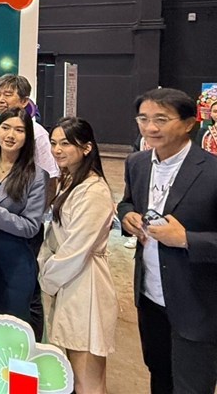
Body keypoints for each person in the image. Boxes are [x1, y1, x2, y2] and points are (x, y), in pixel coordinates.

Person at [117, 88, 217, 394]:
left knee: (191, 385)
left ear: (189, 123)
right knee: (159, 376)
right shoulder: (138, 163)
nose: (150, 128)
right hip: (150, 298)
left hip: (196, 303)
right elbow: (127, 203)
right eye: (144, 119)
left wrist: (186, 239)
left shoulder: (211, 171)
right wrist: (127, 216)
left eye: (161, 119)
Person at [39, 117, 117, 394]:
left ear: (86, 148)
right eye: (54, 143)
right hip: (70, 283)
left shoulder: (94, 190)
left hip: (87, 285)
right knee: (75, 373)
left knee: (87, 380)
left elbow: (77, 249)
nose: (57, 150)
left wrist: (46, 278)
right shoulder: (70, 180)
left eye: (66, 144)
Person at [0, 108, 48, 327]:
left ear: (27, 137)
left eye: (19, 130)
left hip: (15, 263)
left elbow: (31, 226)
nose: (10, 135)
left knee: (13, 331)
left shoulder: (35, 175)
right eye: (5, 128)